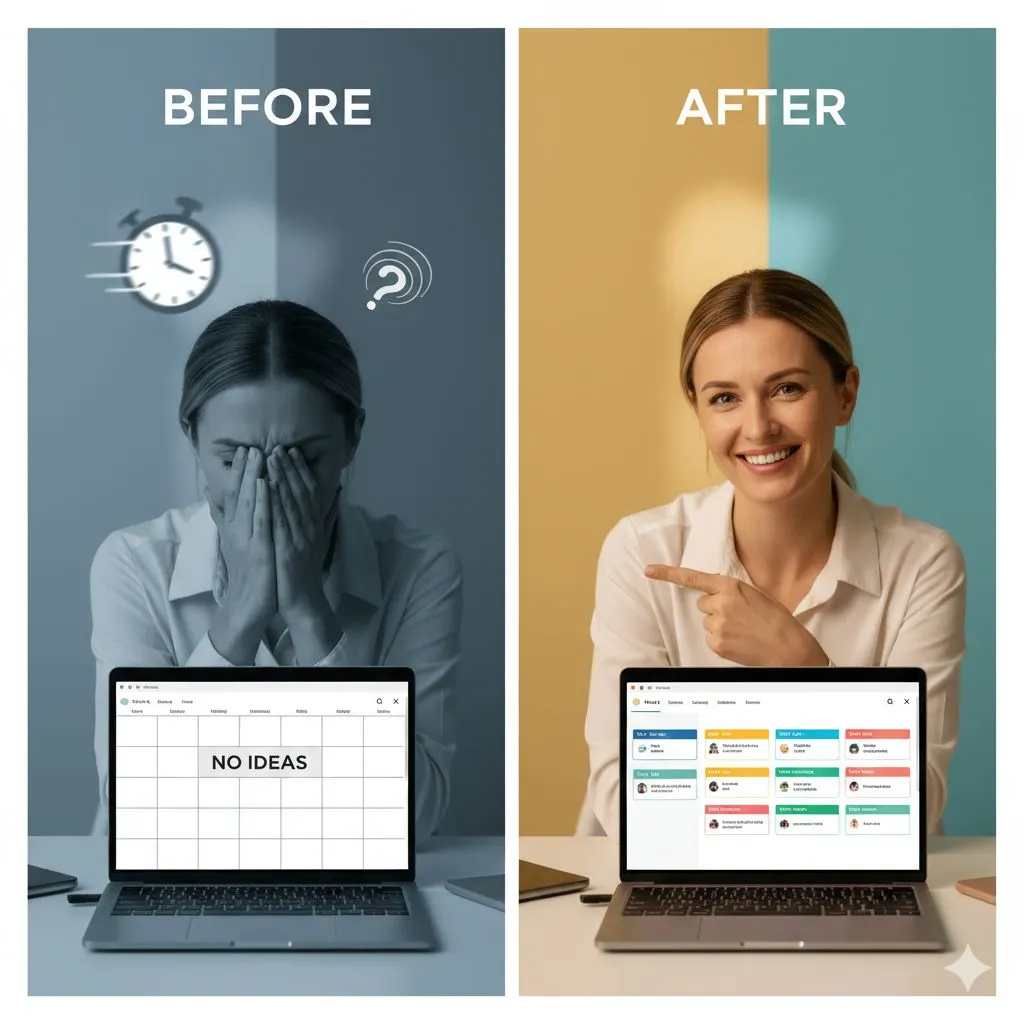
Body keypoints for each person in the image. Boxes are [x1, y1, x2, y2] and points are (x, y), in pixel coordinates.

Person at [584, 269, 965, 840]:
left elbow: (913, 809)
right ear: (698, 409)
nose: (758, 427)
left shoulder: (923, 563)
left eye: (787, 388)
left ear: (846, 393)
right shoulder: (641, 552)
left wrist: (802, 668)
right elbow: (625, 802)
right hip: (682, 882)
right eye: (725, 398)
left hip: (851, 888)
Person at [91, 300, 462, 842]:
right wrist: (242, 609)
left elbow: (416, 817)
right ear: (192, 437)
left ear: (352, 438)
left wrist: (309, 611)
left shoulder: (419, 568)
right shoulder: (134, 564)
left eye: (302, 461)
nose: (265, 488)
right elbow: (140, 808)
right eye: (233, 461)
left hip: (349, 878)